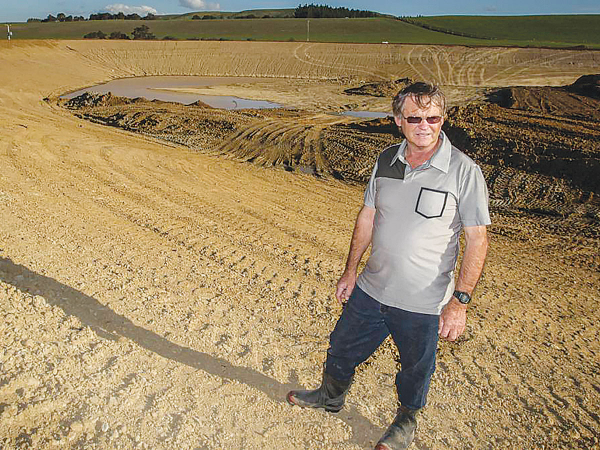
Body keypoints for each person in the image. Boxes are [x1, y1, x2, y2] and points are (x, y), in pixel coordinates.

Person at [287, 82, 490, 450]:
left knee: (415, 369)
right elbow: (367, 217)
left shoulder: (463, 170)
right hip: (371, 288)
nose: (424, 125)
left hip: (423, 301)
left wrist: (459, 303)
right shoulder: (385, 161)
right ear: (398, 120)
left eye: (433, 118)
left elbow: (477, 239)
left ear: (443, 120)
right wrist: (350, 271)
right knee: (340, 349)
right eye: (414, 117)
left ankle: (405, 423)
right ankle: (330, 397)